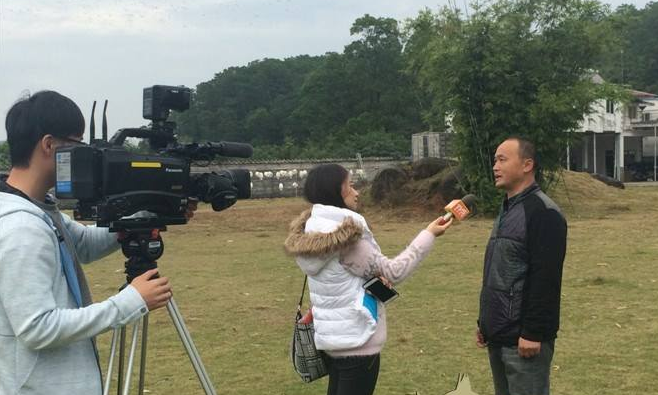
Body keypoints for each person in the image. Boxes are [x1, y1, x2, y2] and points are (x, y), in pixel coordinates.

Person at [0, 91, 188, 395]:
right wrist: (130, 302)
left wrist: (150, 209)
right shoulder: (22, 228)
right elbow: (37, 328)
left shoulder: (38, 209)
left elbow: (83, 244)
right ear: (49, 145)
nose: (85, 155)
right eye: (77, 145)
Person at [284, 163, 453, 395]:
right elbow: (394, 271)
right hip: (358, 340)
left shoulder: (311, 235)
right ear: (334, 191)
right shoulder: (346, 240)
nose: (356, 192)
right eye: (350, 186)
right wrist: (429, 234)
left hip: (331, 340)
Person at [476, 137, 567, 395]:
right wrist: (485, 323)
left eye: (502, 159)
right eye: (495, 160)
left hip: (524, 340)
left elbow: (546, 279)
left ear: (527, 165)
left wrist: (534, 332)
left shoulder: (544, 213)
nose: (495, 166)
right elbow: (501, 274)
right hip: (499, 336)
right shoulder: (507, 209)